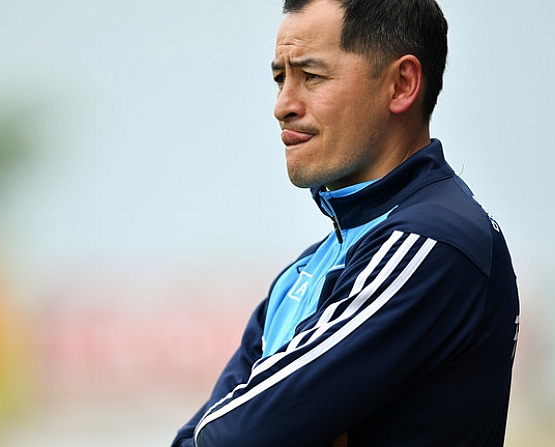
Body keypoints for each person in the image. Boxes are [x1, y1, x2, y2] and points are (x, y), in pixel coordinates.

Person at [171, 0, 520, 446]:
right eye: (280, 78)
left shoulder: (434, 244)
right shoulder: (302, 273)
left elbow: (235, 438)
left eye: (311, 77)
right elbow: (202, 437)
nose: (283, 106)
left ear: (401, 84)